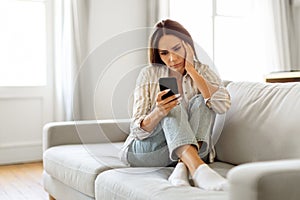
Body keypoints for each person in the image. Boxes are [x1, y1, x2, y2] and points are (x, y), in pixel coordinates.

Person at [120, 19, 231, 191]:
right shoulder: (149, 74)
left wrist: (192, 70)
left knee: (202, 100)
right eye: (164, 53)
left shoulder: (203, 71)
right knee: (172, 106)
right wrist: (158, 112)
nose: (172, 59)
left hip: (190, 148)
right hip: (149, 149)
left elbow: (222, 106)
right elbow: (136, 130)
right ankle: (199, 170)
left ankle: (182, 167)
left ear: (188, 45)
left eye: (177, 49)